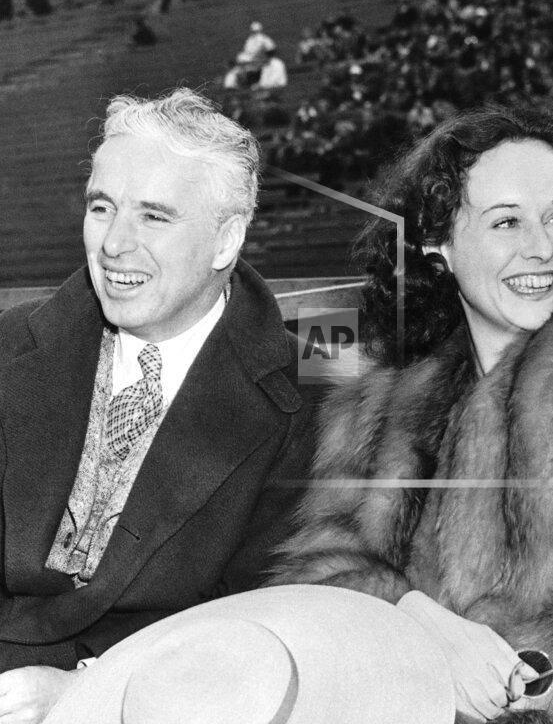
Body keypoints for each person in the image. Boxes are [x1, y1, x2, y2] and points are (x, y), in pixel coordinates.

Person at [51, 106, 553, 724]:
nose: (541, 248)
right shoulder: (378, 391)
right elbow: (321, 562)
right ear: (439, 243)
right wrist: (418, 622)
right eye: (505, 222)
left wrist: (508, 682)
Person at [0, 88, 316, 723]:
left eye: (154, 217)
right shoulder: (9, 344)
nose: (115, 244)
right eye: (102, 207)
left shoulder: (319, 390)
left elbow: (271, 622)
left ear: (227, 240)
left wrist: (89, 692)